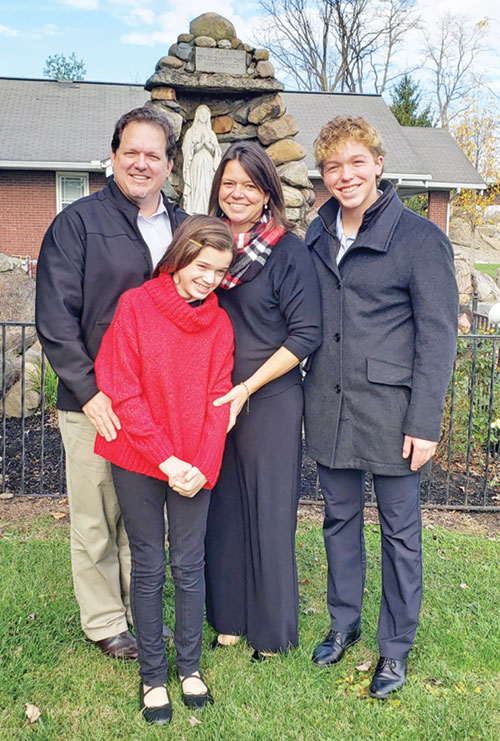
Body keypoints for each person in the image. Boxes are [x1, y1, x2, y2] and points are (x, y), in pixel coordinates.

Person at [303, 116, 458, 698]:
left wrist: (425, 422)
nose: (345, 176)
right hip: (329, 406)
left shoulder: (420, 239)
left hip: (394, 416)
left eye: (355, 163)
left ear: (378, 164)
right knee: (338, 521)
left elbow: (437, 337)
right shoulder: (316, 234)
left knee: (399, 533)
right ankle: (344, 624)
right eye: (333, 167)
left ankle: (394, 649)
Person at [35, 107, 187, 659]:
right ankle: (104, 621)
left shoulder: (183, 226)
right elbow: (55, 320)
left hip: (156, 403)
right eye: (132, 153)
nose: (141, 164)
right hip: (95, 402)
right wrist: (89, 390)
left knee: (141, 517)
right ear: (113, 157)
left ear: (169, 164)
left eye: (153, 154)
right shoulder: (76, 224)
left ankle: (139, 608)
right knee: (97, 516)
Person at [94, 215, 235, 724]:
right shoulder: (135, 306)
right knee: (150, 564)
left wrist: (200, 464)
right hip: (138, 454)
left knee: (189, 565)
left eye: (220, 271)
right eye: (202, 266)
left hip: (194, 464)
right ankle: (154, 675)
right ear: (179, 257)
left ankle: (190, 666)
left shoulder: (219, 323)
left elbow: (221, 400)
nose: (210, 278)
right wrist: (165, 457)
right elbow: (121, 390)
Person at [204, 142, 322, 659]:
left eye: (249, 185)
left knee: (270, 511)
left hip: (268, 398)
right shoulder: (205, 247)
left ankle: (272, 631)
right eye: (229, 183)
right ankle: (228, 616)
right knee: (222, 508)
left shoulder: (287, 252)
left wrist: (246, 389)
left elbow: (305, 334)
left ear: (267, 192)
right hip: (212, 399)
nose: (237, 193)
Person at [182, 105, 221, 215]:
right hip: (196, 163)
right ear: (197, 115)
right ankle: (194, 210)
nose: (203, 116)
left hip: (208, 164)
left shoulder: (211, 133)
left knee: (207, 186)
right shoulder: (191, 132)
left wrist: (209, 146)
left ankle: (207, 210)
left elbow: (217, 150)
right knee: (197, 187)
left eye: (205, 114)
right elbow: (185, 148)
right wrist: (196, 148)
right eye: (201, 114)